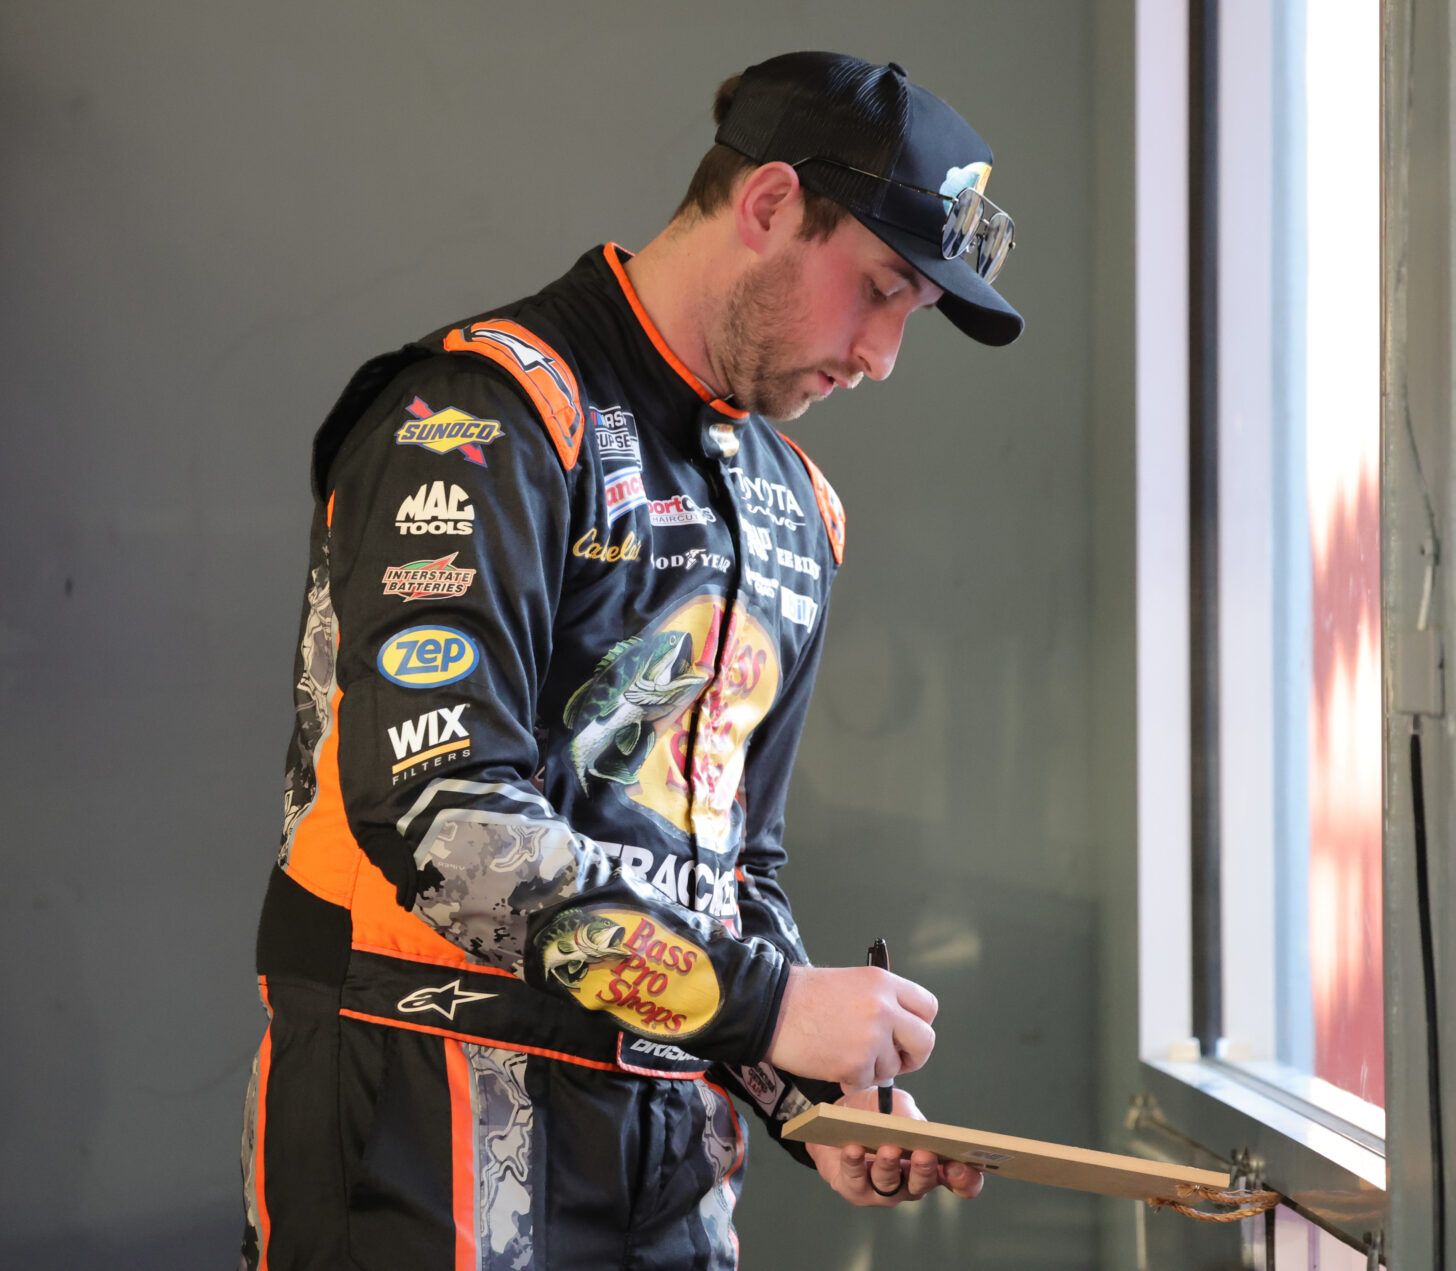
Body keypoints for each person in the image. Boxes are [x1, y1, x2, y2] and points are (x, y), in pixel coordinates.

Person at [241, 50, 1022, 1269]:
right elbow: (443, 815)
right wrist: (773, 1009)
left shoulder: (797, 510)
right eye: (878, 288)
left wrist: (798, 1091)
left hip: (673, 1164)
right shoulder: (477, 416)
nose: (881, 356)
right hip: (416, 1121)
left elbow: (733, 861)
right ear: (767, 204)